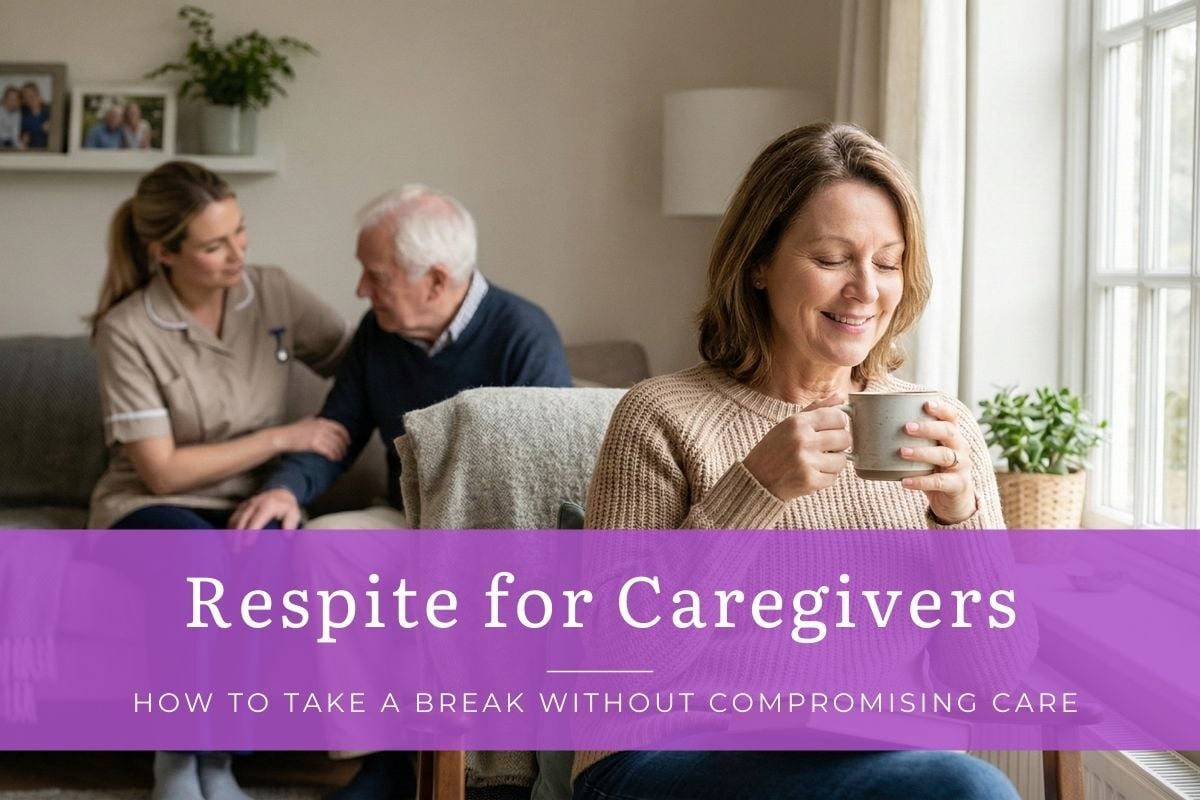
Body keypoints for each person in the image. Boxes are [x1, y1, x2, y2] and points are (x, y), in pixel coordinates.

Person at [576, 123, 1033, 799]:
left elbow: (992, 686)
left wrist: (959, 522)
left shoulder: (939, 428)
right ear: (758, 263)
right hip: (669, 757)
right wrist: (752, 492)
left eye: (887, 262)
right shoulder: (661, 416)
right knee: (967, 791)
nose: (866, 291)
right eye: (831, 259)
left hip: (878, 761)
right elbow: (617, 662)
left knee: (953, 782)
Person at [230, 184, 572, 800]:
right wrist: (286, 489)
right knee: (324, 544)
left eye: (374, 274)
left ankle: (485, 771)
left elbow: (549, 478)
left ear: (436, 281)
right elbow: (335, 428)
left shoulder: (523, 334)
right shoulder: (377, 333)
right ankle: (381, 758)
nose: (361, 289)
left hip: (494, 534)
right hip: (408, 517)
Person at [88, 160, 352, 800]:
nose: (236, 253)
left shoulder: (277, 294)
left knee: (265, 553)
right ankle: (176, 759)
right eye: (213, 245)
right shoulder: (127, 331)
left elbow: (358, 363)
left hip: (250, 498)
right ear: (164, 252)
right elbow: (161, 469)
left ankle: (220, 763)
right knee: (195, 558)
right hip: (148, 507)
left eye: (240, 232)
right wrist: (285, 437)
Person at [19, 82, 50, 149]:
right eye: (25, 97)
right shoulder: (23, 114)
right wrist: (41, 127)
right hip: (33, 150)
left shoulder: (48, 110)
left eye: (31, 96)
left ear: (38, 95)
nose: (29, 100)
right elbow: (26, 128)